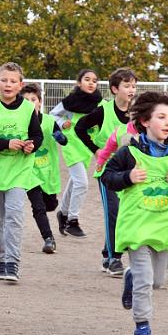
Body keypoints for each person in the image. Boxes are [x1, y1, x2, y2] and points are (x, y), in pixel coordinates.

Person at [101, 92, 168, 335]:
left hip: (165, 225)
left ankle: (130, 276)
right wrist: (128, 177)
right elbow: (107, 176)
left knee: (157, 280)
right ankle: (142, 327)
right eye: (161, 117)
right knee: (145, 280)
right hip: (136, 224)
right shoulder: (129, 152)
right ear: (145, 121)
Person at [0, 62, 42, 282]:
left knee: (14, 216)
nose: (8, 84)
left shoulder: (28, 109)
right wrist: (5, 144)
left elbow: (37, 137)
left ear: (20, 85)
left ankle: (12, 264)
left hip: (19, 172)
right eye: (4, 80)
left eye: (13, 81)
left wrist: (32, 146)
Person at [75, 67, 138, 276]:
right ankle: (114, 259)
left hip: (132, 172)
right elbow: (79, 128)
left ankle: (106, 254)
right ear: (114, 89)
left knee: (126, 213)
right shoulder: (103, 111)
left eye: (134, 86)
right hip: (108, 171)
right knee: (114, 212)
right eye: (127, 85)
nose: (131, 89)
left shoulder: (138, 114)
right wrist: (95, 149)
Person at [50, 68, 102, 238]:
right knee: (82, 182)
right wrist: (63, 122)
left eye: (94, 81)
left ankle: (63, 213)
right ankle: (73, 220)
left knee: (75, 181)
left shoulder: (99, 102)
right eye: (87, 79)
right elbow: (52, 116)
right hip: (71, 145)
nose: (91, 83)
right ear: (79, 83)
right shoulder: (70, 101)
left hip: (87, 145)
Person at [20, 83, 67, 254]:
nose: (30, 103)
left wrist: (61, 137)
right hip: (28, 171)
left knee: (51, 204)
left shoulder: (49, 121)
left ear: (40, 102)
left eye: (33, 99)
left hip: (47, 170)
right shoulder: (20, 123)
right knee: (37, 207)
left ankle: (53, 212)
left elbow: (63, 140)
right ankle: (49, 239)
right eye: (26, 100)